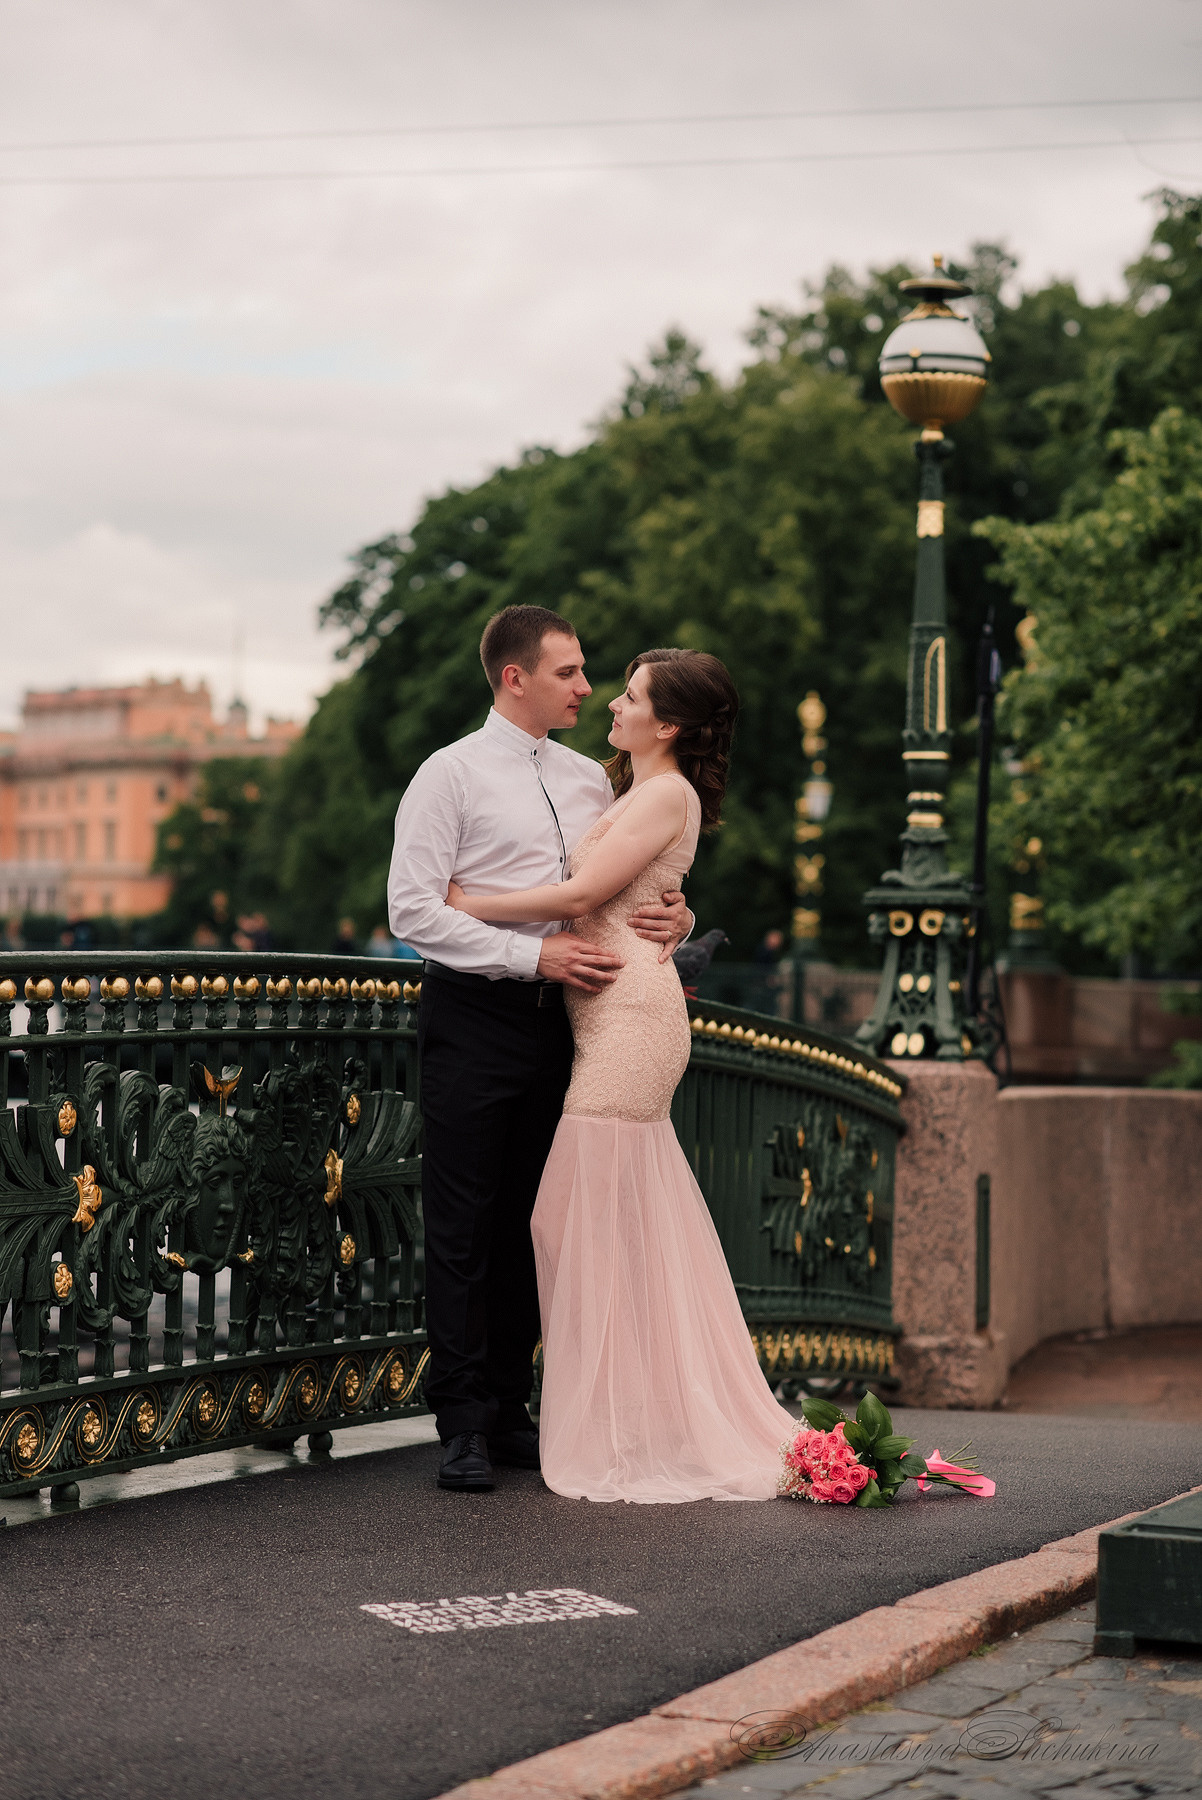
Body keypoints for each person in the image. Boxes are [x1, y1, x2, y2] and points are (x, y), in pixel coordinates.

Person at [448, 648, 797, 1503]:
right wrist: (680, 912)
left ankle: (622, 1421)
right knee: (600, 1219)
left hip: (630, 1021)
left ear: (668, 724)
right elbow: (630, 888)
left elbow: (581, 898)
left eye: (632, 694)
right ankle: (631, 1411)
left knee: (581, 1217)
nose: (611, 699)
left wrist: (459, 902)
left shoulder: (666, 791)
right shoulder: (629, 789)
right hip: (607, 1010)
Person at [387, 606, 692, 1493]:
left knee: (536, 1217)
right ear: (514, 677)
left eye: (589, 673)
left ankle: (511, 1408)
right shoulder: (447, 776)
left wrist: (681, 913)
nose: (585, 688)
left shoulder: (593, 781)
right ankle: (462, 1424)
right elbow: (413, 911)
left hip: (568, 1020)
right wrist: (533, 953)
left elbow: (619, 884)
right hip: (474, 1015)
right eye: (568, 673)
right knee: (464, 1223)